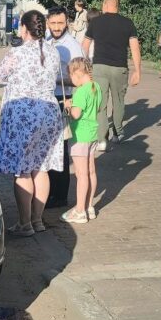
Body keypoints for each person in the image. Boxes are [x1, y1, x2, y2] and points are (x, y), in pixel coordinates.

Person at [0, 10, 63, 237]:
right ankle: (37, 220)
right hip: (49, 113)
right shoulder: (53, 51)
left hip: (23, 115)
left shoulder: (17, 53)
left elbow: (0, 76)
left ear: (24, 28)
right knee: (41, 167)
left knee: (22, 170)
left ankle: (24, 223)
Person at [82, 0, 141, 152]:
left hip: (99, 66)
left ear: (105, 5)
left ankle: (102, 139)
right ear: (117, 6)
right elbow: (135, 47)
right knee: (118, 101)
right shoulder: (128, 23)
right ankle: (118, 133)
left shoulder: (95, 22)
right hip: (119, 68)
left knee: (100, 103)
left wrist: (85, 66)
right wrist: (137, 70)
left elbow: (85, 45)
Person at [45, 6, 84, 209]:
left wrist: (56, 77)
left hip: (64, 99)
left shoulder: (73, 46)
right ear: (47, 23)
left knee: (60, 148)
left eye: (61, 23)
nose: (57, 27)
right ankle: (50, 190)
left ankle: (59, 196)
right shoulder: (47, 40)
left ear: (67, 23)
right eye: (54, 23)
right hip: (49, 98)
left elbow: (80, 78)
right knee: (50, 147)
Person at [61, 58, 102, 224]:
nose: (71, 80)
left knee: (81, 174)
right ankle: (89, 206)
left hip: (80, 136)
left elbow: (76, 114)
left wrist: (68, 106)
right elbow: (98, 108)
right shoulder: (96, 87)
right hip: (92, 134)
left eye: (71, 75)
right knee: (91, 172)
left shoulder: (81, 92)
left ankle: (79, 211)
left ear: (77, 73)